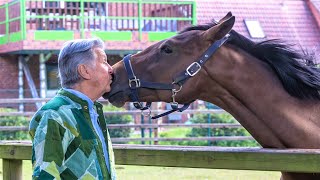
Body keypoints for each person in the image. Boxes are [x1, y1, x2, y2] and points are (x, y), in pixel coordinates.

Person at [29, 38, 116, 179]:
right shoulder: (54, 115)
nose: (111, 68)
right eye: (104, 61)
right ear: (85, 71)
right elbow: (45, 175)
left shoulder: (92, 112)